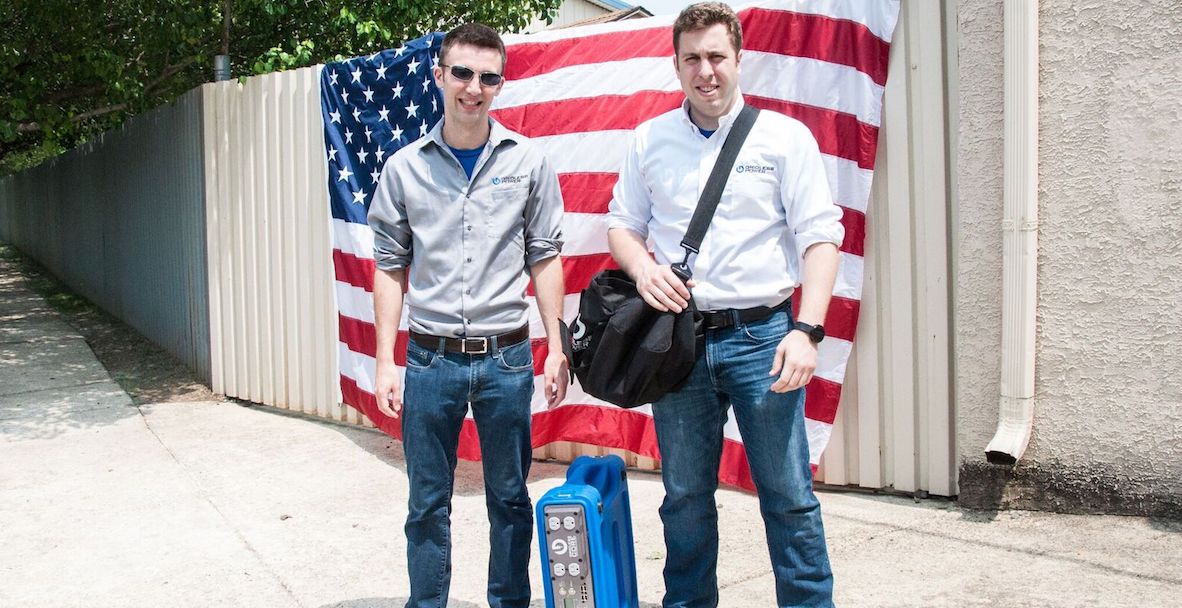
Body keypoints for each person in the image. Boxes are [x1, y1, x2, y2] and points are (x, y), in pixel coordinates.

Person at [606, 3, 843, 606]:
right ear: (676, 64)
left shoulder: (785, 138)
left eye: (716, 56)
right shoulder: (650, 139)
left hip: (764, 341)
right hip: (677, 343)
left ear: (739, 59)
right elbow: (623, 225)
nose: (705, 71)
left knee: (787, 495)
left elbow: (821, 237)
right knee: (685, 497)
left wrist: (808, 331)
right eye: (692, 58)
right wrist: (644, 269)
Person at [367, 22, 568, 608]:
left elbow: (545, 256)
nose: (473, 88)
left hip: (507, 360)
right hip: (430, 362)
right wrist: (385, 361)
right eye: (461, 73)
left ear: (500, 84)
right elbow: (390, 267)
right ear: (439, 75)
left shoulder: (529, 162)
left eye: (487, 77)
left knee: (510, 498)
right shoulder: (405, 168)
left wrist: (556, 348)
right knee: (426, 503)